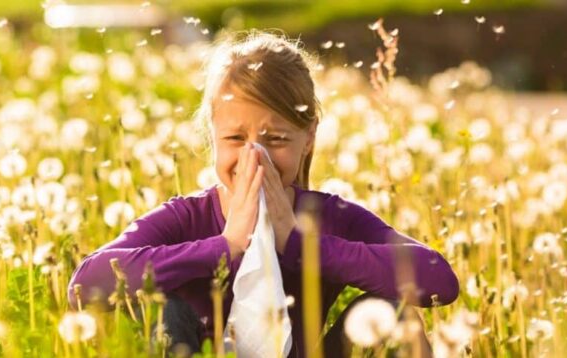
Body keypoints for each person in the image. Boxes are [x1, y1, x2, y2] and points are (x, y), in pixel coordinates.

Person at [68, 30, 459, 357]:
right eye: (236, 138)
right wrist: (226, 246)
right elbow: (85, 285)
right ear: (212, 136)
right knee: (163, 313)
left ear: (308, 140)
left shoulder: (330, 216)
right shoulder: (187, 217)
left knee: (396, 315)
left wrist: (301, 245)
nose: (255, 157)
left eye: (275, 139)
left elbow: (439, 279)